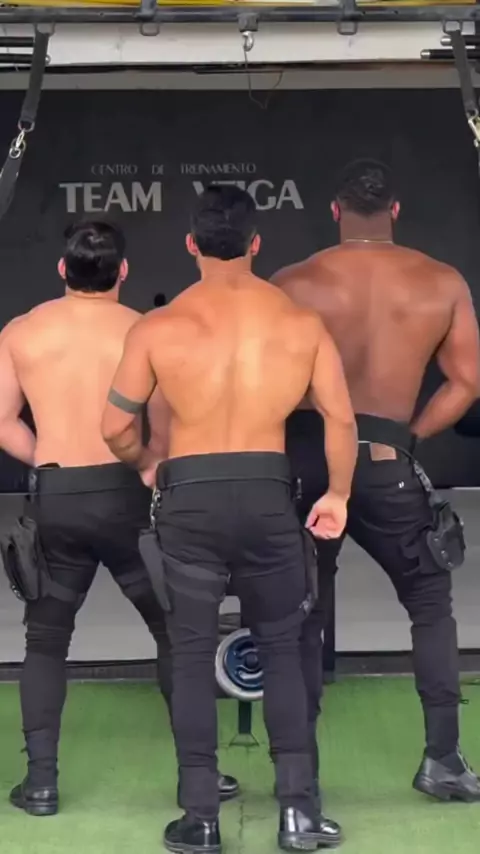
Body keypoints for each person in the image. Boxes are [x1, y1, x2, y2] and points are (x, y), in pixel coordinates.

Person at [101, 184, 358, 853]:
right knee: (284, 649)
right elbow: (340, 418)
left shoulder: (156, 328)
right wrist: (338, 494)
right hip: (268, 493)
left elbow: (114, 426)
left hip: (190, 497)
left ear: (191, 244)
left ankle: (201, 818)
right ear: (255, 244)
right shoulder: (301, 324)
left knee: (190, 654)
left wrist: (148, 462)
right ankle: (298, 812)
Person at [0, 220, 238, 817]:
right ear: (123, 272)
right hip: (127, 496)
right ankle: (199, 777)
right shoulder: (145, 329)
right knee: (173, 632)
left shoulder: (21, 331)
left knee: (46, 640)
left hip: (57, 496)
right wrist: (148, 465)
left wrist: (51, 459)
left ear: (62, 269)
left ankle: (41, 784)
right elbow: (165, 426)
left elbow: (2, 422)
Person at [271, 158, 480, 804]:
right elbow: (467, 382)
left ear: (335, 212)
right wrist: (407, 437)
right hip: (387, 461)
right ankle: (443, 759)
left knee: (302, 614)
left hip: (309, 462)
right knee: (430, 603)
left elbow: (261, 380)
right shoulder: (440, 282)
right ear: (395, 212)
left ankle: (301, 776)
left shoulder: (292, 283)